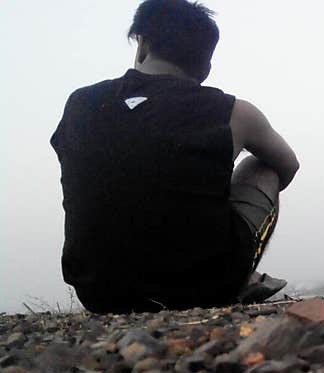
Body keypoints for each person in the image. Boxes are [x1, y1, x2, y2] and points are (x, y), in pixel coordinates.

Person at [50, 0, 298, 314]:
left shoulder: (79, 105)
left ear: (141, 45)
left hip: (98, 292)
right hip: (205, 286)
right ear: (205, 67)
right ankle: (242, 275)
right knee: (262, 166)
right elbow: (287, 164)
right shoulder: (234, 112)